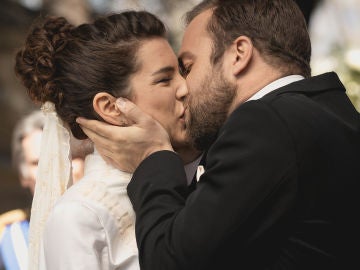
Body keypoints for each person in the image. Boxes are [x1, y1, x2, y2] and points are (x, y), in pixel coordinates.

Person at [77, 0, 360, 269]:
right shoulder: (333, 112)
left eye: (188, 67)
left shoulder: (264, 122)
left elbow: (171, 261)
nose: (184, 88)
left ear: (239, 54)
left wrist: (153, 155)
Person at [15, 10, 201, 270]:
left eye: (182, 72)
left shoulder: (203, 175)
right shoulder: (80, 215)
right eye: (164, 79)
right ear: (111, 107)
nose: (185, 88)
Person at [0, 110, 90, 270]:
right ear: (23, 176)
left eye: (66, 156)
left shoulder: (122, 219)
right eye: (38, 163)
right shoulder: (9, 240)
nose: (53, 171)